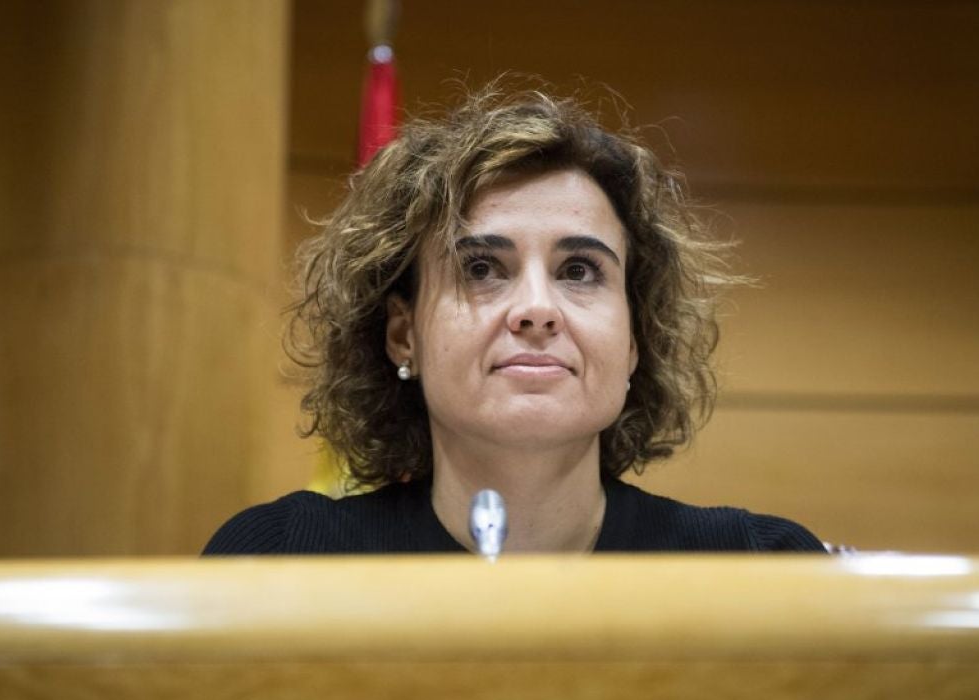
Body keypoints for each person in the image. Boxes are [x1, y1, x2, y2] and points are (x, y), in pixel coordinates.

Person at [204, 84, 823, 555]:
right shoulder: (279, 558)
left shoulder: (760, 566)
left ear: (636, 340)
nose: (536, 310)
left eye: (579, 270)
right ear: (403, 334)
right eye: (481, 268)